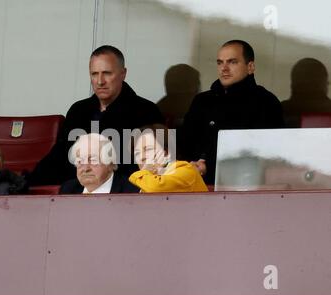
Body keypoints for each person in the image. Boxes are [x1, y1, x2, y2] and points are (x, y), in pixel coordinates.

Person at [28, 45, 165, 186]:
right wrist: (26, 185)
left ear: (123, 74)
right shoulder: (78, 110)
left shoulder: (146, 111)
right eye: (94, 74)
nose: (100, 81)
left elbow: (154, 166)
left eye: (107, 73)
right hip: (76, 190)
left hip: (123, 194)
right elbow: (59, 157)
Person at [179, 40, 284, 184]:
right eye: (220, 63)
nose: (224, 68)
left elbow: (267, 154)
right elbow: (184, 144)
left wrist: (208, 165)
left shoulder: (265, 102)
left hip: (244, 190)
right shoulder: (202, 101)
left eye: (232, 62)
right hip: (192, 186)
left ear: (250, 67)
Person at [129, 124, 208, 193]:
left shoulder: (186, 170)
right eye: (137, 153)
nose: (142, 157)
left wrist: (139, 175)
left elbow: (156, 188)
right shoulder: (147, 181)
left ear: (166, 152)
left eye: (148, 149)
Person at [59, 133, 139, 194]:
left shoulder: (131, 192)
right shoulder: (68, 189)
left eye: (93, 160)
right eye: (80, 161)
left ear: (110, 164)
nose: (85, 169)